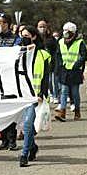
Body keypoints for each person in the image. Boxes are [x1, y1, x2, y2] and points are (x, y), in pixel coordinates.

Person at [19, 26, 52, 167]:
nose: (23, 38)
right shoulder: (18, 53)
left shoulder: (43, 54)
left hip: (36, 96)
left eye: (26, 35)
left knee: (28, 126)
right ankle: (32, 147)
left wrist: (41, 94)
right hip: (22, 95)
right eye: (21, 35)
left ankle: (24, 154)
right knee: (27, 126)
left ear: (33, 37)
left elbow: (45, 77)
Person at [0, 13, 20, 150]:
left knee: (10, 110)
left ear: (7, 24)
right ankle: (3, 138)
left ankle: (12, 139)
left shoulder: (15, 39)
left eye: (0, 22)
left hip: (10, 79)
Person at [55, 22, 87, 122]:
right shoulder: (60, 42)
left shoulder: (80, 42)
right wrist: (60, 65)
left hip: (75, 71)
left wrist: (76, 65)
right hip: (64, 70)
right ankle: (63, 112)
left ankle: (77, 111)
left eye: (68, 32)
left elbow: (84, 56)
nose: (65, 34)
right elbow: (58, 54)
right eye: (64, 31)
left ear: (73, 33)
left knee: (74, 93)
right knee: (64, 91)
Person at [37, 20, 58, 104]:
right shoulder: (36, 38)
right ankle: (49, 94)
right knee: (46, 81)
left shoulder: (51, 38)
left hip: (50, 62)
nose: (42, 28)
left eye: (44, 26)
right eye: (40, 26)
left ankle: (55, 95)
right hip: (39, 63)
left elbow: (55, 50)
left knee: (53, 81)